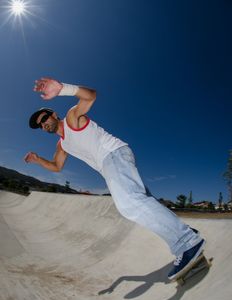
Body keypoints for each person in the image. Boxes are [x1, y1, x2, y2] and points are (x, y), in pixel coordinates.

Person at [24, 77, 205, 280]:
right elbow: (57, 167)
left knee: (129, 203)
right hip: (110, 165)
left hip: (113, 156)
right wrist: (38, 159)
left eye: (44, 118)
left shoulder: (71, 118)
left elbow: (90, 96)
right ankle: (185, 232)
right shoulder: (62, 145)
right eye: (39, 125)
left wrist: (63, 89)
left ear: (53, 114)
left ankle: (188, 242)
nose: (43, 124)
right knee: (144, 200)